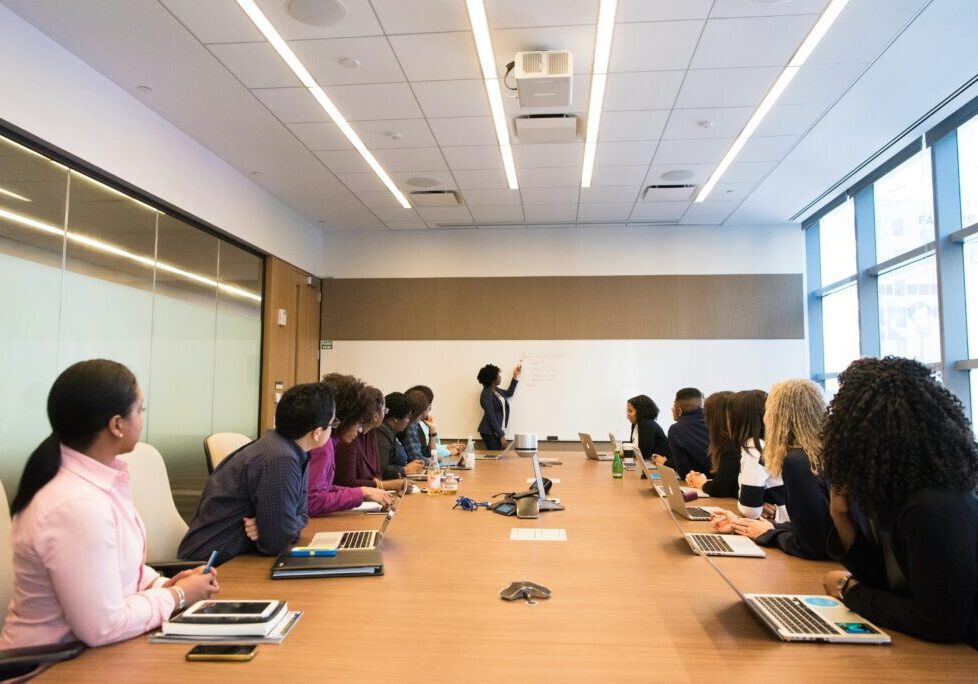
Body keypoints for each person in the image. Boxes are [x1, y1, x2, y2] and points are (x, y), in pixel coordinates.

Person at [0, 359, 219, 649]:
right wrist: (177, 596)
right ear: (117, 424)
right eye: (139, 410)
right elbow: (103, 627)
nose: (142, 418)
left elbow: (123, 570)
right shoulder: (76, 504)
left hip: (95, 653)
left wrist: (163, 584)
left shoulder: (100, 484)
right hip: (52, 666)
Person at [819, 357, 978, 647]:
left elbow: (940, 624)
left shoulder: (934, 504)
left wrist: (849, 591)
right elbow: (888, 583)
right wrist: (841, 516)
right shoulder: (895, 492)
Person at [178, 381, 334, 562]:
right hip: (211, 567)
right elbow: (277, 542)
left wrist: (273, 526)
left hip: (234, 556)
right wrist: (278, 528)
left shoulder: (288, 449)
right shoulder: (280, 458)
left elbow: (302, 515)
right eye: (332, 424)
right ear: (317, 433)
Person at [710, 380, 830, 560]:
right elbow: (821, 529)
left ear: (777, 416)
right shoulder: (824, 452)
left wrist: (771, 533)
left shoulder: (797, 461)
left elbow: (813, 545)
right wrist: (757, 525)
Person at [307, 374, 393, 516]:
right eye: (358, 422)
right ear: (346, 418)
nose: (359, 429)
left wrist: (364, 492)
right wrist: (361, 492)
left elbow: (323, 488)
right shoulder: (323, 445)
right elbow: (313, 500)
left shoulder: (329, 441)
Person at [718, 389, 787, 522]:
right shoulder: (771, 443)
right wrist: (758, 503)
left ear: (737, 419)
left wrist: (755, 505)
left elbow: (749, 510)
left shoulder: (754, 449)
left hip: (777, 523)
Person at [335, 387, 404, 491]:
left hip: (371, 496)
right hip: (353, 499)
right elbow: (347, 482)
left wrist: (378, 485)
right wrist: (382, 485)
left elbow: (377, 472)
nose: (385, 414)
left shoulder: (371, 432)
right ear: (375, 416)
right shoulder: (349, 436)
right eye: (384, 410)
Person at [686, 391, 739, 497]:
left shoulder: (731, 447)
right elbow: (728, 484)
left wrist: (702, 483)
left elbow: (719, 490)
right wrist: (700, 479)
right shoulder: (732, 442)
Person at [406, 384, 462, 461]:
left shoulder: (417, 425)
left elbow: (428, 453)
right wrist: (436, 458)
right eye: (428, 405)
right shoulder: (411, 426)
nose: (430, 409)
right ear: (422, 406)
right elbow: (416, 458)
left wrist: (432, 430)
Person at [376, 392, 424, 480]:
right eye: (407, 417)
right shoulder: (382, 432)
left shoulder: (390, 431)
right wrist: (404, 470)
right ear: (396, 418)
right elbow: (380, 469)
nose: (408, 421)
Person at [665, 387, 710, 478]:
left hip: (697, 484)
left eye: (674, 405)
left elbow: (684, 472)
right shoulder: (713, 423)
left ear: (679, 410)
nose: (672, 409)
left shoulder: (676, 430)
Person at [477, 363, 520, 450]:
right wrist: (501, 435)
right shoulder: (486, 393)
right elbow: (491, 415)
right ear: (493, 379)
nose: (500, 377)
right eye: (498, 375)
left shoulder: (496, 390)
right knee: (495, 457)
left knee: (498, 456)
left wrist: (515, 376)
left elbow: (509, 393)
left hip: (495, 431)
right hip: (489, 431)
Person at [627, 395, 671, 463]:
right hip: (649, 463)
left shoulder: (646, 424)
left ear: (640, 411)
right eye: (628, 410)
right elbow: (632, 447)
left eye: (630, 411)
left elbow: (644, 454)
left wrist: (628, 453)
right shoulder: (635, 424)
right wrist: (626, 452)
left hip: (661, 465)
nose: (628, 414)